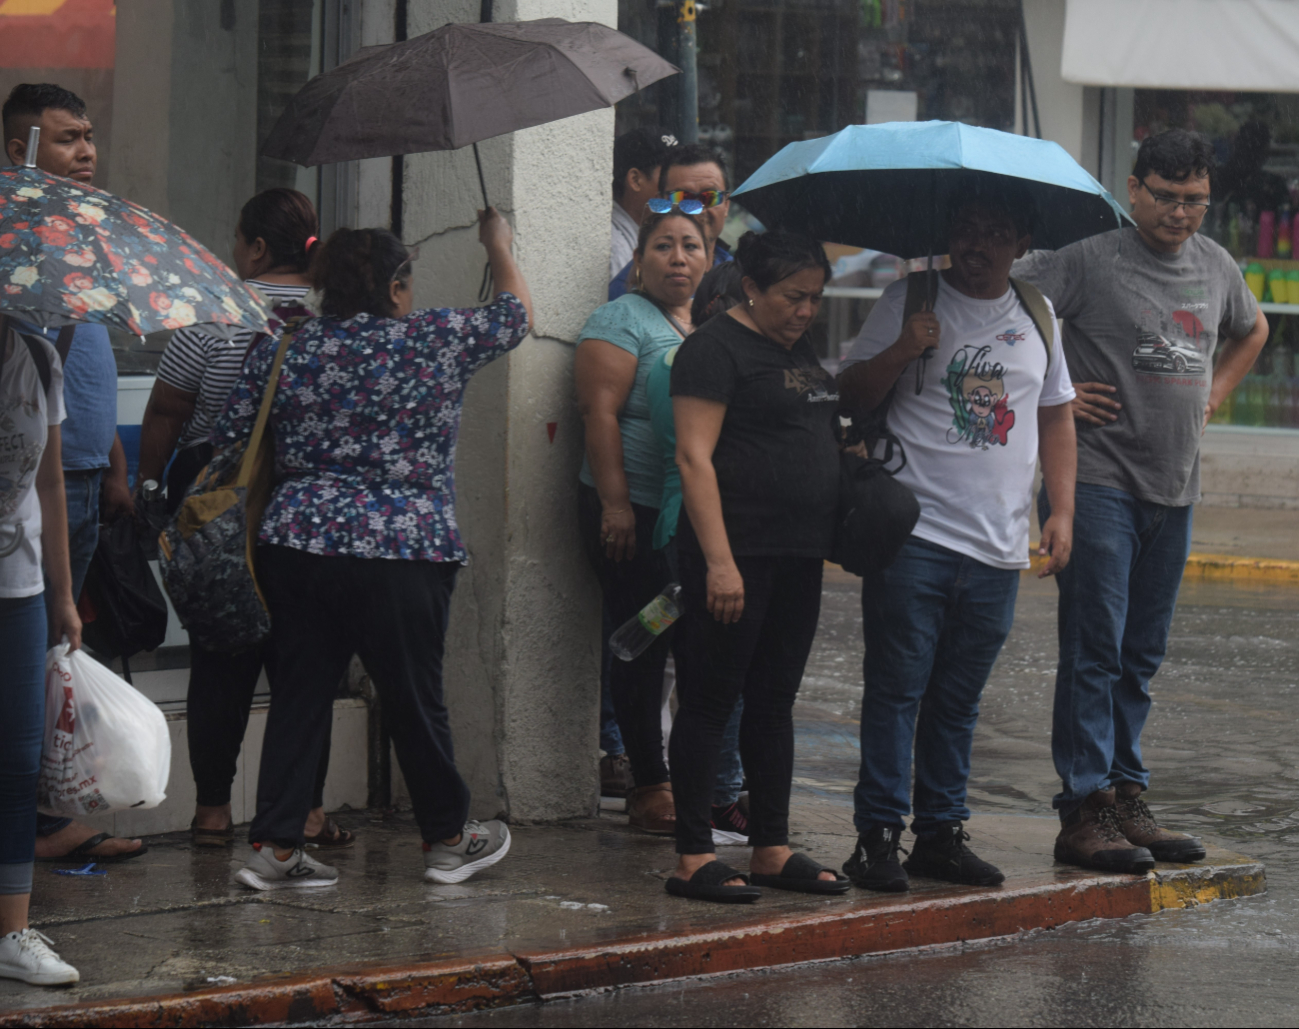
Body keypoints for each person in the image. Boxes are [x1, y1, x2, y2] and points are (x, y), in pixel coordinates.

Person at [215, 210, 531, 891]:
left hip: (298, 540)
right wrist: (496, 245)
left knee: (299, 692)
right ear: (394, 287)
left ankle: (273, 846)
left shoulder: (285, 343)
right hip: (402, 544)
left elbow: (237, 428)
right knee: (413, 695)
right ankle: (448, 837)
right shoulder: (432, 339)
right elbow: (513, 316)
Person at [1015, 129, 1268, 872]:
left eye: (1194, 200)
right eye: (1165, 196)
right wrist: (1049, 391)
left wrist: (1213, 395)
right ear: (1132, 188)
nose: (1180, 213)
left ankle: (1127, 793)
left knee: (1139, 653)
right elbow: (1009, 304)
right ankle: (1083, 807)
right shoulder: (1089, 255)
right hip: (1096, 482)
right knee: (1094, 647)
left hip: (1173, 488)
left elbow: (1249, 330)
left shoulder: (1215, 265)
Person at [837, 183, 1077, 892]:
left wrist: (1058, 510)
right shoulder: (908, 299)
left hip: (998, 548)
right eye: (965, 228)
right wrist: (901, 351)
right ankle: (877, 835)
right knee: (895, 689)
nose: (975, 244)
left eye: (994, 231)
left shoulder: (1038, 314)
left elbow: (1056, 416)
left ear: (1021, 244)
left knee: (957, 700)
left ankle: (939, 832)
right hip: (915, 534)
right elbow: (849, 393)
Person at [135, 188, 349, 850]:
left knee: (220, 660)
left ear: (255, 246)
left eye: (237, 239)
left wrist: (147, 484)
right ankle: (306, 811)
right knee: (305, 666)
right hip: (305, 518)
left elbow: (167, 412)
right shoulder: (336, 324)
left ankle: (211, 811)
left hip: (220, 518)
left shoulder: (212, 320)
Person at [666, 231, 849, 901]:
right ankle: (691, 854)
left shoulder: (792, 347)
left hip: (797, 552)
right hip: (734, 551)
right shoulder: (712, 350)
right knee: (711, 701)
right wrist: (718, 562)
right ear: (750, 287)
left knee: (774, 702)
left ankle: (769, 844)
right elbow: (693, 457)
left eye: (815, 299)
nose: (805, 311)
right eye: (792, 297)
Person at [3, 82, 142, 864]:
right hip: (26, 494)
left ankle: (39, 822)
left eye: (89, 136)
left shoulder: (82, 233)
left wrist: (117, 460)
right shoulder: (21, 247)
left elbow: (84, 370)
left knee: (54, 667)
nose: (86, 151)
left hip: (85, 469)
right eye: (66, 138)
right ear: (22, 147)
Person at [576, 209, 710, 834]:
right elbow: (599, 415)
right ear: (639, 260)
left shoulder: (707, 327)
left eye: (691, 246)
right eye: (663, 246)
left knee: (696, 650)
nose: (678, 257)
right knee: (643, 646)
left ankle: (694, 779)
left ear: (708, 261)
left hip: (690, 517)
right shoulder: (619, 320)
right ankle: (648, 784)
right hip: (633, 512)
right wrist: (616, 504)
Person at [644, 261, 750, 844]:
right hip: (693, 530)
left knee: (705, 677)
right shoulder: (681, 366)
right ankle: (715, 797)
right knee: (711, 679)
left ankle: (718, 791)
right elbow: (699, 455)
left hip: (703, 530)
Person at [0, 318, 82, 984]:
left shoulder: (36, 354)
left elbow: (50, 484)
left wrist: (63, 594)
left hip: (18, 590)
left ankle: (12, 931)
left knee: (18, 758)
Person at [609, 143, 733, 301]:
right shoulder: (628, 289)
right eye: (683, 197)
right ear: (661, 202)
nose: (698, 209)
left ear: (726, 205)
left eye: (709, 197)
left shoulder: (743, 276)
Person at [610, 126, 676, 278]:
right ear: (635, 180)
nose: (679, 186)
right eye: (668, 175)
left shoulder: (642, 235)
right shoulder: (615, 249)